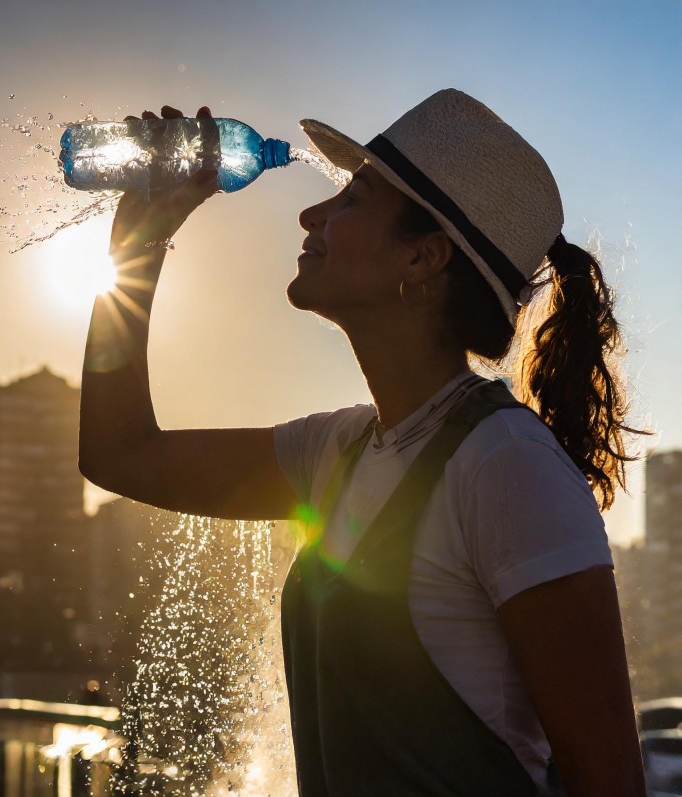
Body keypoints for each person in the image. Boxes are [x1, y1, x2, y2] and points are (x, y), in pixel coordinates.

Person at [78, 90, 646, 796]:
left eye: (354, 198)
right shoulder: (339, 450)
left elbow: (612, 782)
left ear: (423, 257)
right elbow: (119, 452)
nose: (312, 214)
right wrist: (134, 249)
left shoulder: (507, 465)